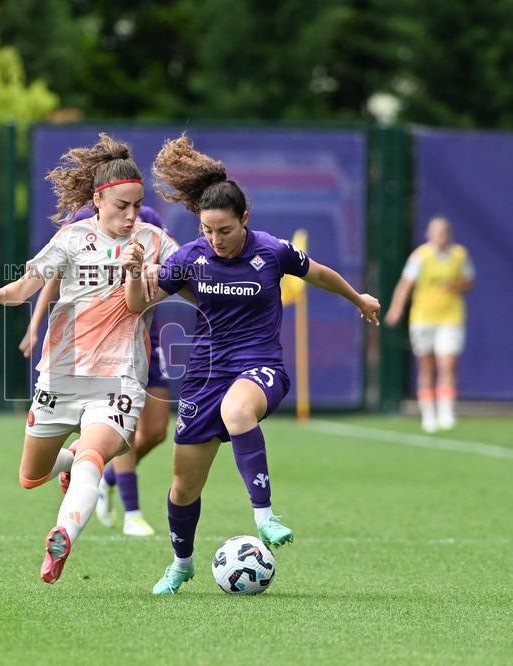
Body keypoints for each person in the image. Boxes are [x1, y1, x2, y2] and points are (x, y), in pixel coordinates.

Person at [122, 135, 381, 595]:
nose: (215, 239)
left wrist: (357, 297)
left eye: (224, 230)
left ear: (245, 219)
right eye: (206, 230)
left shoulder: (271, 251)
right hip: (203, 377)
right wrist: (133, 272)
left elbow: (318, 273)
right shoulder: (189, 258)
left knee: (237, 411)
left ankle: (264, 514)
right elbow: (138, 304)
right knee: (183, 487)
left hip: (259, 366)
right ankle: (182, 564)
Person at [0, 133, 180, 584]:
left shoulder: (154, 241)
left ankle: (62, 534)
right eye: (121, 205)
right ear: (98, 200)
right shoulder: (71, 238)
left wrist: (141, 272)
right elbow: (27, 285)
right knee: (32, 476)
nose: (131, 215)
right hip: (61, 374)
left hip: (118, 378)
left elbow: (151, 297)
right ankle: (68, 467)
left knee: (93, 453)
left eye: (136, 205)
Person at [18, 205, 173, 537]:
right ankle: (132, 513)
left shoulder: (151, 222)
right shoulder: (83, 223)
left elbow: (170, 270)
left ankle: (103, 472)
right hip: (95, 348)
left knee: (157, 432)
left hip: (142, 334)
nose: (128, 211)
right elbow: (56, 275)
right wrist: (35, 325)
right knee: (122, 430)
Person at [384, 216, 474, 432]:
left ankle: (446, 413)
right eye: (436, 233)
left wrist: (455, 285)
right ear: (428, 235)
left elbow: (469, 282)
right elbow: (405, 284)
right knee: (426, 366)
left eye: (444, 233)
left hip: (451, 317)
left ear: (449, 235)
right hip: (423, 318)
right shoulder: (420, 256)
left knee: (447, 364)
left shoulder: (459, 255)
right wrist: (396, 308)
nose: (440, 237)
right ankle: (428, 414)